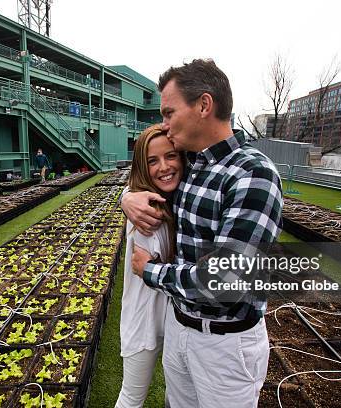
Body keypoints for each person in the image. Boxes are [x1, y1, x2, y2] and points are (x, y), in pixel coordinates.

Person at [121, 59, 283, 408]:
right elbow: (147, 176)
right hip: (180, 328)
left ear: (204, 106)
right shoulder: (192, 165)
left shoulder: (252, 174)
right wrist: (127, 197)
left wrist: (151, 270)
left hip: (223, 345)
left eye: (168, 112)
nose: (163, 124)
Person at [115, 124, 185, 408]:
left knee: (177, 395)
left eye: (171, 156)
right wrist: (127, 197)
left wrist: (125, 196)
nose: (164, 167)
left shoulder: (173, 200)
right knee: (132, 397)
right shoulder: (148, 211)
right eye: (152, 161)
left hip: (175, 320)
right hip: (145, 320)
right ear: (142, 168)